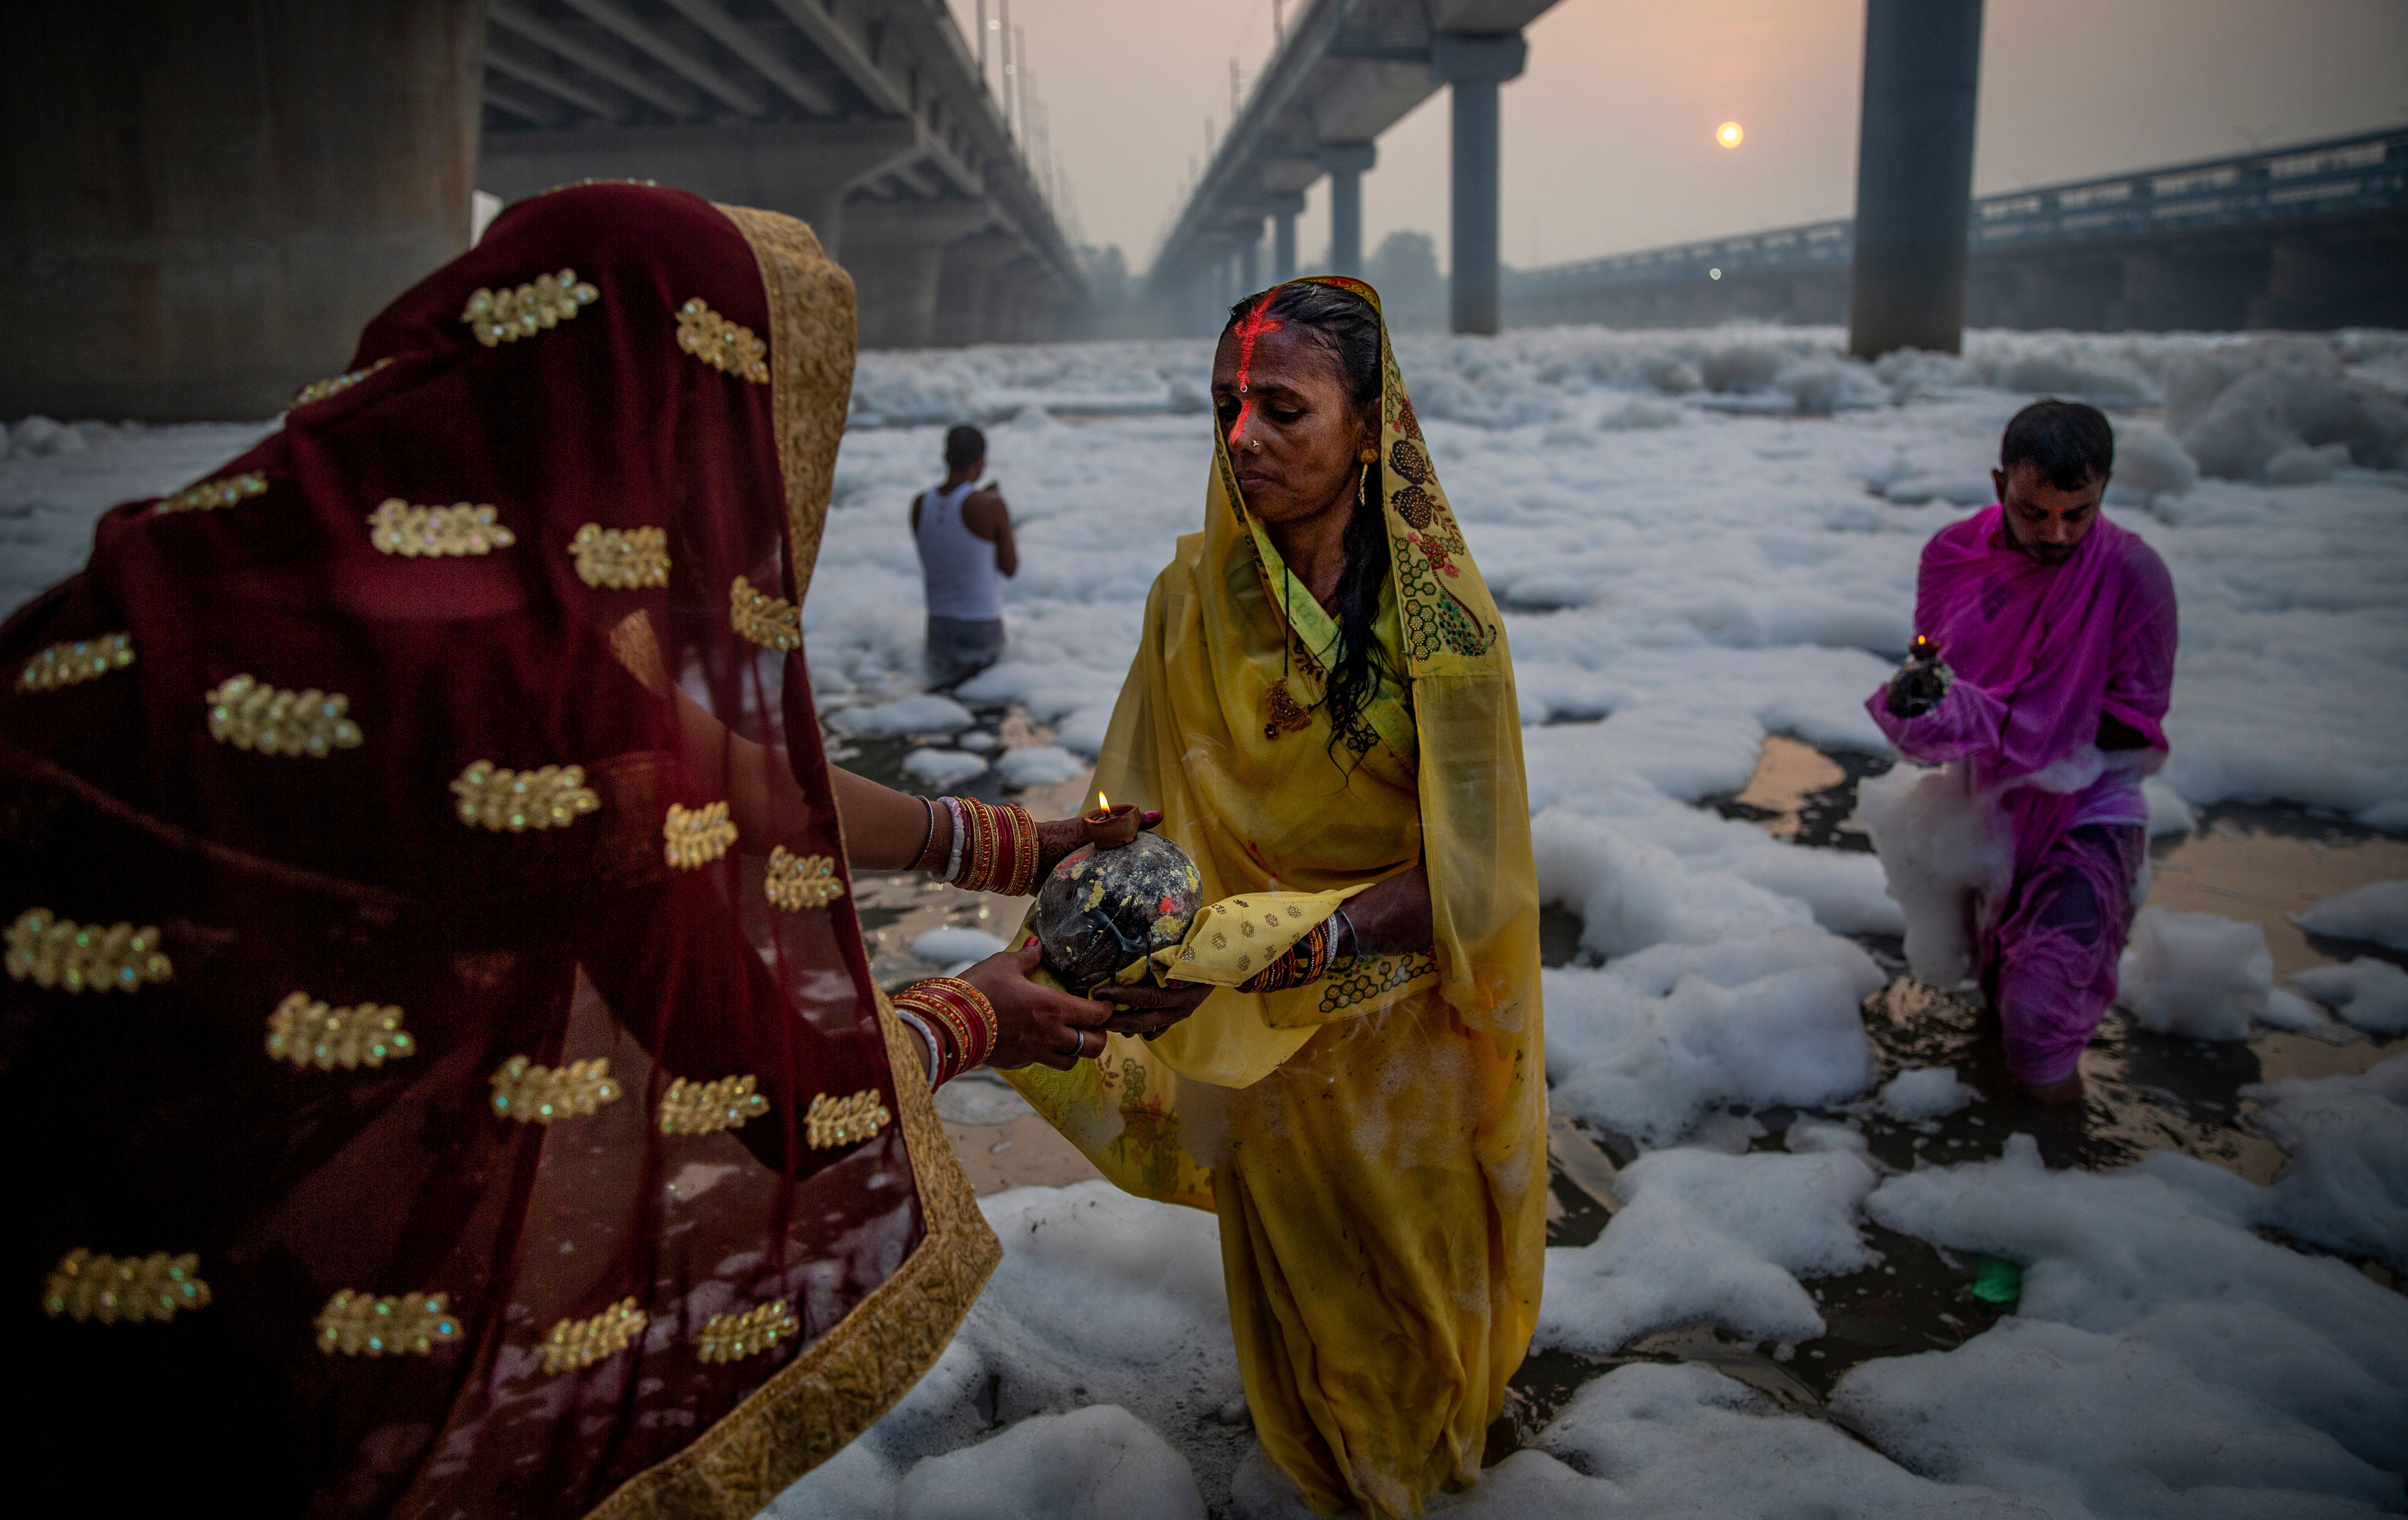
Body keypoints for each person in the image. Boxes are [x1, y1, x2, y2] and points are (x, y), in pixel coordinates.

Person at [0, 181, 1123, 1516]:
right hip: (172, 1243)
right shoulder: (528, 691)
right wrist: (973, 1013)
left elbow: (723, 765)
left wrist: (998, 842)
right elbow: (766, 1077)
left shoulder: (275, 523)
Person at [1003, 277, 1546, 1518]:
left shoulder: (1442, 628)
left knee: (1409, 1297)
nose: (1241, 437)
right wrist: (1100, 943)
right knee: (1297, 1292)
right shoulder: (1188, 602)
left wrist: (1319, 939)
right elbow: (1136, 815)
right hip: (1249, 1032)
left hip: (1396, 1031)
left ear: (1370, 424)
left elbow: (1476, 868)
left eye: (1280, 408)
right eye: (1224, 405)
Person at [1870, 398, 2178, 1102]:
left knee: (2041, 1017)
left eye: (2079, 512)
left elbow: (2139, 722)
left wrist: (2010, 715)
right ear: (1998, 483)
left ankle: (2063, 1172)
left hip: (2088, 807)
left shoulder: (2135, 576)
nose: (2057, 533)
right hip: (1990, 811)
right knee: (2000, 993)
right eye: (2033, 511)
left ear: (2104, 492)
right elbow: (1938, 672)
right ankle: (2005, 1162)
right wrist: (1926, 701)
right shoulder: (1952, 557)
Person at [912, 423, 1016, 686]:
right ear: (980, 461)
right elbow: (1009, 567)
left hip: (938, 624)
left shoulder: (920, 504)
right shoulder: (990, 504)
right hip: (981, 623)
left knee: (942, 711)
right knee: (986, 714)